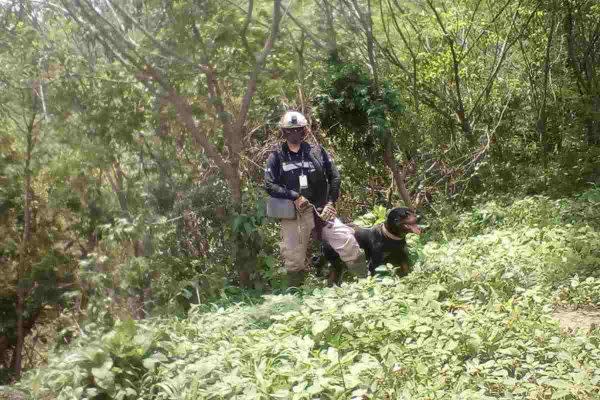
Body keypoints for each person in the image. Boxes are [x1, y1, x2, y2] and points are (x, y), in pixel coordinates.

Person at [264, 111, 367, 287]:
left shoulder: (317, 152)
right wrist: (294, 196)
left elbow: (335, 177)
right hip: (294, 214)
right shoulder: (276, 156)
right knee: (293, 259)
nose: (294, 133)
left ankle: (366, 283)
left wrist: (331, 202)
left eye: (298, 129)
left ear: (304, 131)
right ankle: (297, 299)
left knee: (347, 241)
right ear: (283, 132)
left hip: (322, 210)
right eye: (289, 130)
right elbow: (269, 184)